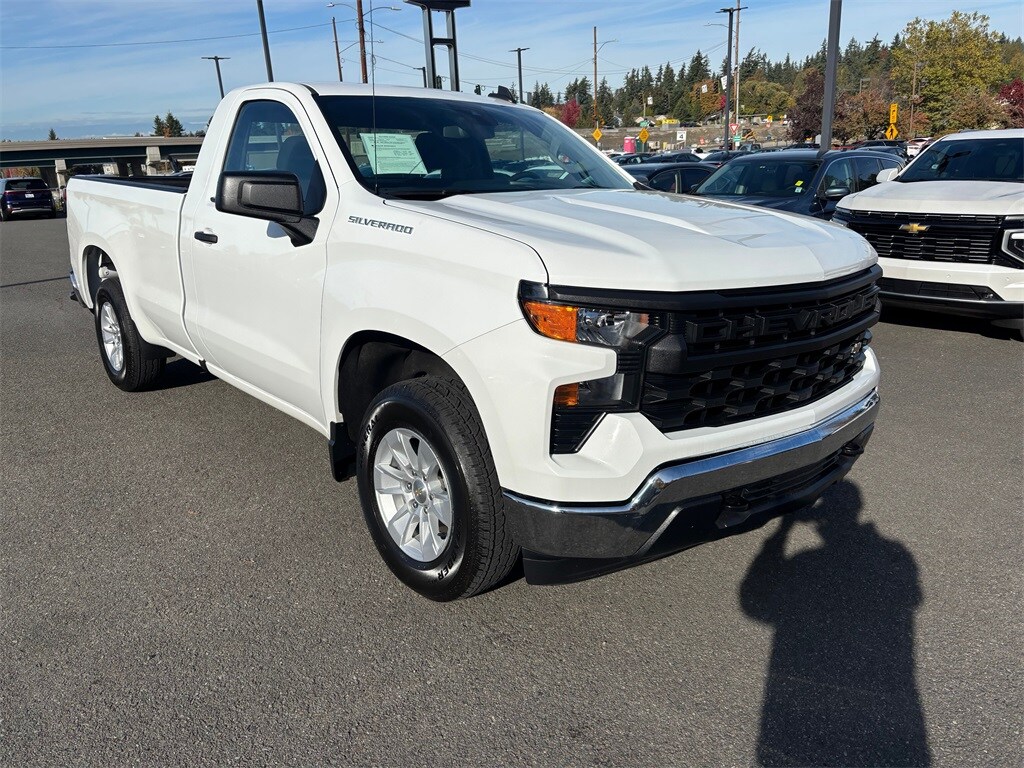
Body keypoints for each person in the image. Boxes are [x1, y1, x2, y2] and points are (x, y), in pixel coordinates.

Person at [740, 482, 931, 766]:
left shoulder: (806, 561)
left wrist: (781, 534)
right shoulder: (894, 553)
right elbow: (913, 597)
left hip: (803, 691)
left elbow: (755, 604)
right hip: (894, 694)